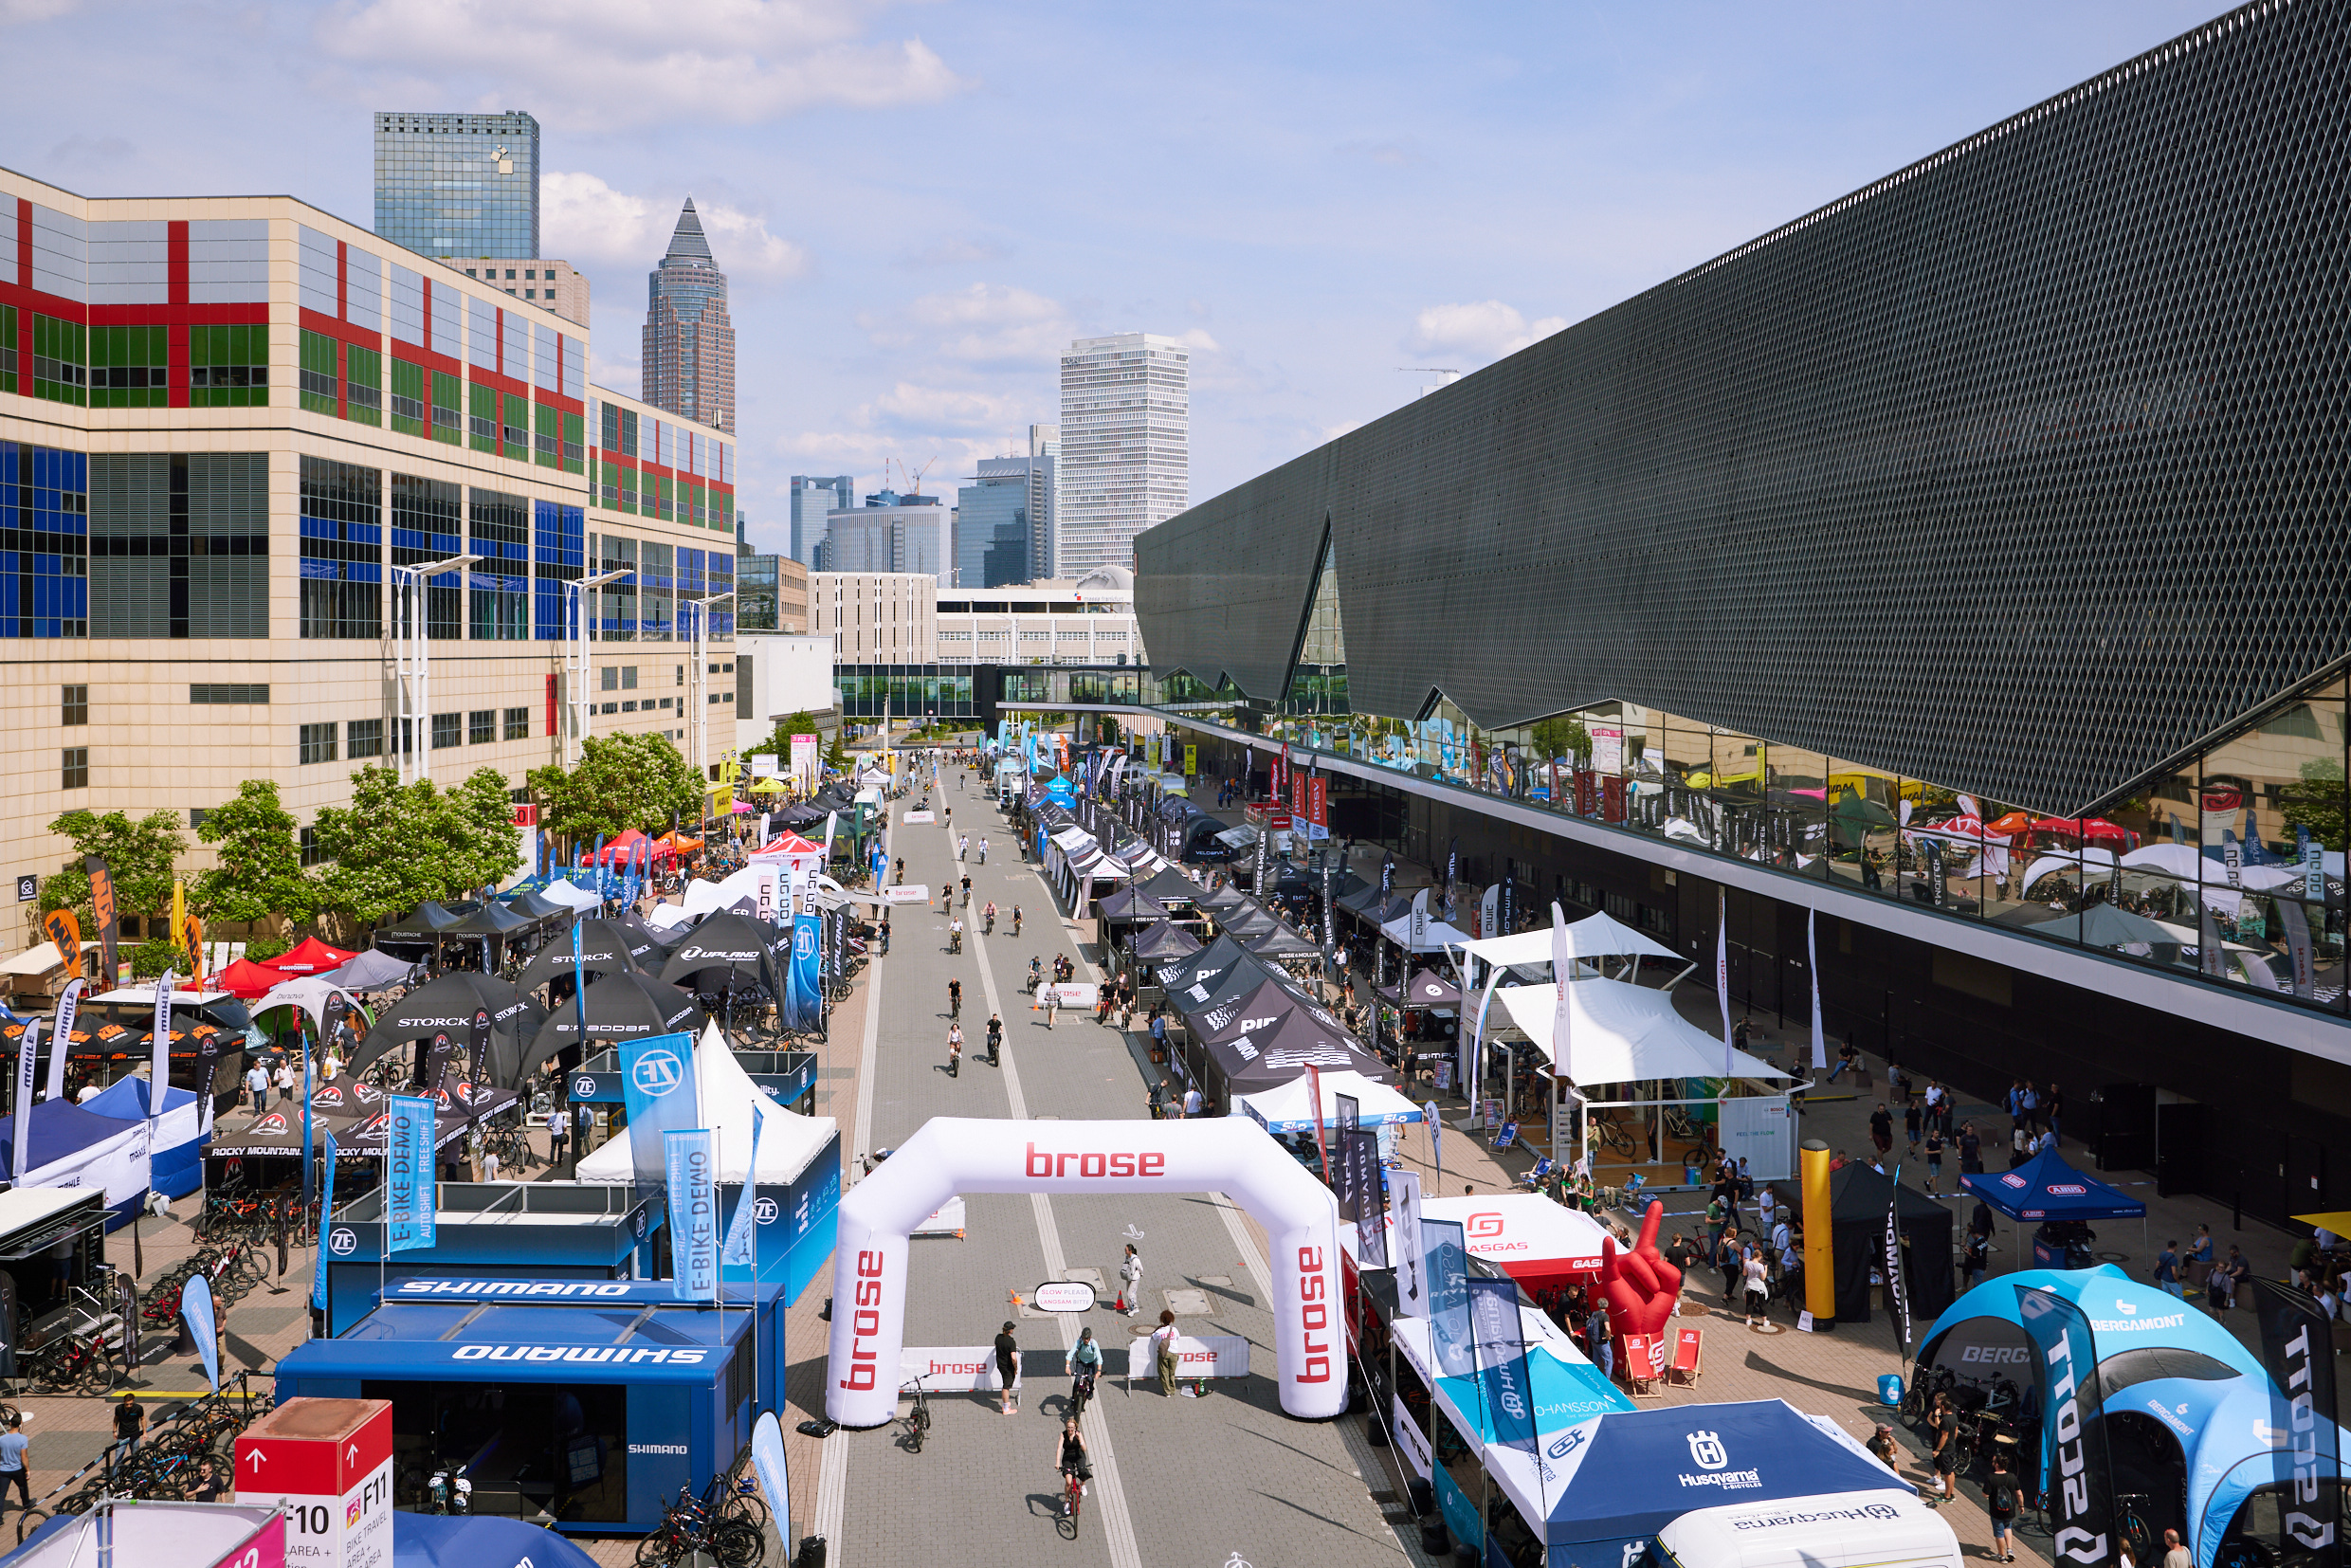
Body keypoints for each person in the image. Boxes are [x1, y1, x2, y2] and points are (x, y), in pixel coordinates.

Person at [1924, 1392, 1959, 1503]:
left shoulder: (1944, 1420)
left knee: (1947, 1473)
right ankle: (1950, 1493)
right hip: (1951, 1447)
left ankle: (1947, 1496)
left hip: (1945, 1450)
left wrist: (1938, 1450)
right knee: (1951, 1471)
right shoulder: (1954, 1416)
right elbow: (1955, 1431)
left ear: (1943, 1407)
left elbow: (1944, 1436)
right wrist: (1952, 1441)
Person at [1053, 1416, 1091, 1514]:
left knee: (1082, 1470)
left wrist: (1080, 1440)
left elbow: (1084, 1449)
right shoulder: (1063, 1435)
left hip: (1079, 1455)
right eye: (1068, 1427)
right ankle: (1066, 1502)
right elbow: (1059, 1449)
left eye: (1072, 1428)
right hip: (1068, 1458)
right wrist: (1057, 1462)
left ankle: (1083, 1485)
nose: (1070, 1430)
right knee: (1068, 1482)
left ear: (1075, 1427)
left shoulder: (1078, 1434)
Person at [1986, 1452, 2020, 1561]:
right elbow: (2019, 1493)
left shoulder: (1991, 1477)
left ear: (1996, 1465)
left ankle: (2001, 1556)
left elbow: (1985, 1494)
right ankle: (2010, 1549)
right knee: (2008, 1527)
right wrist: (2021, 1505)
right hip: (2009, 1510)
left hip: (1997, 1511)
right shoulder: (2012, 1477)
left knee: (1999, 1533)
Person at [0, 1412, 28, 1516]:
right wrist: (28, 1470)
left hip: (3, 1470)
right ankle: (27, 1504)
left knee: (1, 1494)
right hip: (17, 1469)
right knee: (23, 1487)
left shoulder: (2, 1439)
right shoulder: (23, 1439)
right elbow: (24, 1456)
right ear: (20, 1423)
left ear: (10, 1423)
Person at [1150, 1310, 1181, 1395]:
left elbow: (1153, 1337)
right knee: (1172, 1373)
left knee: (1164, 1373)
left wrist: (1158, 1328)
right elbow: (1178, 1337)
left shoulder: (1160, 1331)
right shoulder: (1174, 1330)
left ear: (1161, 1320)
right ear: (1171, 1320)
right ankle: (1173, 1389)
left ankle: (1167, 1392)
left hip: (1164, 1353)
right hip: (1174, 1353)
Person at [111, 1392, 144, 1470]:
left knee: (135, 1456)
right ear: (124, 1402)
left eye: (131, 1404)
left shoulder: (138, 1408)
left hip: (134, 1435)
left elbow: (143, 1419)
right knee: (118, 1457)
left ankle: (134, 1474)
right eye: (127, 1404)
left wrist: (145, 1432)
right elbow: (116, 1419)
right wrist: (114, 1431)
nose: (129, 1406)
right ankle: (114, 1478)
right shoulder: (119, 1408)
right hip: (122, 1435)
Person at [994, 1322, 1021, 1415]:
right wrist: (1015, 1367)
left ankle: (1006, 1403)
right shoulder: (1011, 1342)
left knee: (1005, 1382)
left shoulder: (998, 1338)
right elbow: (1013, 1357)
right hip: (1008, 1367)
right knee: (1006, 1387)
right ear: (1011, 1330)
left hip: (1000, 1365)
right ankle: (1006, 1408)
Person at [1070, 1327, 1103, 1403]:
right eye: (1084, 1338)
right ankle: (1073, 1398)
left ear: (1090, 1337)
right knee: (1077, 1380)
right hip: (1081, 1361)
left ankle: (1091, 1390)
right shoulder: (1079, 1342)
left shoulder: (1093, 1343)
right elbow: (1071, 1353)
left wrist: (1099, 1371)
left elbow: (1099, 1358)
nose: (1086, 1340)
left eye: (1088, 1338)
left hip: (1090, 1362)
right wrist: (1067, 1366)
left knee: (1090, 1379)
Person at [1741, 1245, 1770, 1327]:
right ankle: (1764, 1320)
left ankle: (1748, 1320)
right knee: (1762, 1303)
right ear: (1760, 1256)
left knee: (1749, 1302)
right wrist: (1766, 1269)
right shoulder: (1760, 1266)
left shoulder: (1747, 1264)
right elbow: (1763, 1277)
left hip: (1750, 1285)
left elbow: (1744, 1274)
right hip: (1759, 1286)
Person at [1117, 1244, 1142, 1315]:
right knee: (1131, 1293)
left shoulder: (1135, 1259)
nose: (1125, 1251)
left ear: (1130, 1251)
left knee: (1130, 1294)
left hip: (1134, 1278)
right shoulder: (1127, 1257)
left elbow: (1140, 1268)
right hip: (1129, 1277)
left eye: (1126, 1250)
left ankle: (1133, 1309)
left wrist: (1141, 1274)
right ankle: (1133, 1307)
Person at [1923, 1124, 1944, 1194]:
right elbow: (1926, 1151)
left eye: (1938, 1133)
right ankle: (1936, 1192)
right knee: (1935, 1176)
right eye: (1936, 1133)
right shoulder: (1929, 1142)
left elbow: (1941, 1152)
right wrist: (1935, 1151)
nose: (1937, 1134)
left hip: (1938, 1160)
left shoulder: (1939, 1141)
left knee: (1936, 1175)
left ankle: (1928, 1182)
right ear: (1932, 1133)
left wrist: (1942, 1148)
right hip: (1932, 1160)